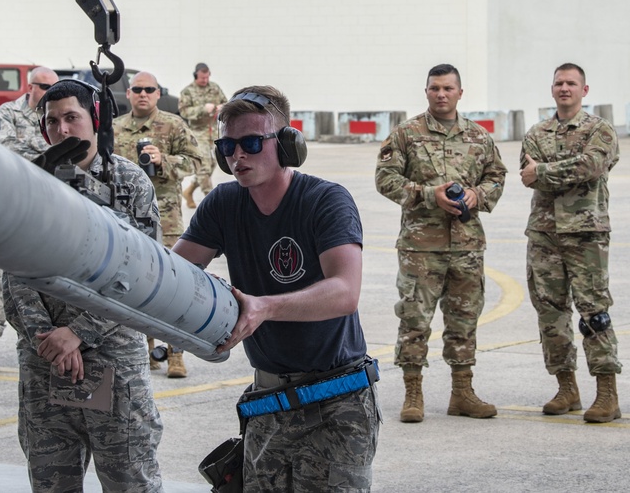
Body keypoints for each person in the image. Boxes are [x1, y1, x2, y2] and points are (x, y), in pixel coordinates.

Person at [173, 86, 380, 491]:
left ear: (288, 145)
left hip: (337, 401)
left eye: (251, 142)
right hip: (268, 402)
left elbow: (344, 291)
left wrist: (263, 307)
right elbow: (174, 273)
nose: (238, 156)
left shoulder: (325, 201)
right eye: (227, 146)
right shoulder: (223, 204)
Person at [3, 79, 164, 492]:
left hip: (113, 361)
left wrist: (78, 334)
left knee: (130, 479)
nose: (62, 130)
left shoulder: (127, 184)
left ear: (95, 121)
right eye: (52, 121)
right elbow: (15, 272)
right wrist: (50, 340)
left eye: (71, 118)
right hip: (44, 363)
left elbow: (143, 276)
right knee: (51, 480)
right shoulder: (28, 184)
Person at [375, 63, 506, 423]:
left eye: (448, 88)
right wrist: (429, 195)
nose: (441, 94)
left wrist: (478, 195)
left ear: (460, 93)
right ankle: (412, 392)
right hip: (421, 248)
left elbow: (497, 175)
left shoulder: (479, 137)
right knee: (414, 319)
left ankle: (462, 393)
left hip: (466, 246)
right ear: (427, 91)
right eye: (435, 88)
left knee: (464, 320)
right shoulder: (406, 134)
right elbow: (385, 179)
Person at [520, 63, 621, 423]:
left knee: (594, 311)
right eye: (559, 83)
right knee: (551, 314)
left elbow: (590, 166)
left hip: (586, 235)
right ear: (552, 90)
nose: (565, 88)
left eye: (571, 83)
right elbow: (527, 176)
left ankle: (607, 393)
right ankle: (567, 387)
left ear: (584, 89)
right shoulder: (536, 133)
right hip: (544, 235)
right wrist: (552, 172)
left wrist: (545, 171)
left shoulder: (601, 130)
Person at [0, 66, 59, 376]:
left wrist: (47, 156)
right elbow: (8, 149)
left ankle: (43, 352)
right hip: (12, 209)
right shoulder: (9, 111)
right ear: (29, 86)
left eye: (52, 87)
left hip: (48, 212)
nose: (47, 92)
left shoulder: (57, 115)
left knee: (49, 286)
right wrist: (51, 155)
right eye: (43, 86)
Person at [114, 70, 202, 378]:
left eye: (148, 89)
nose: (142, 94)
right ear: (128, 93)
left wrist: (164, 159)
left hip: (165, 219)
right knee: (133, 282)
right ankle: (146, 350)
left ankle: (175, 353)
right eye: (137, 89)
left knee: (171, 286)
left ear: (156, 93)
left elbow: (196, 161)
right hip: (125, 220)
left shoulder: (173, 124)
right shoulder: (114, 128)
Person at [178, 62, 227, 208]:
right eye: (202, 78)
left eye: (206, 77)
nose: (205, 81)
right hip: (198, 133)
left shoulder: (215, 88)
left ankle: (189, 190)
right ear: (195, 76)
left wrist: (221, 107)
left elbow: (226, 102)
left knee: (213, 164)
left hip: (213, 132)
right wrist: (202, 109)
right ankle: (211, 199)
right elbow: (184, 112)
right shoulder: (187, 91)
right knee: (204, 167)